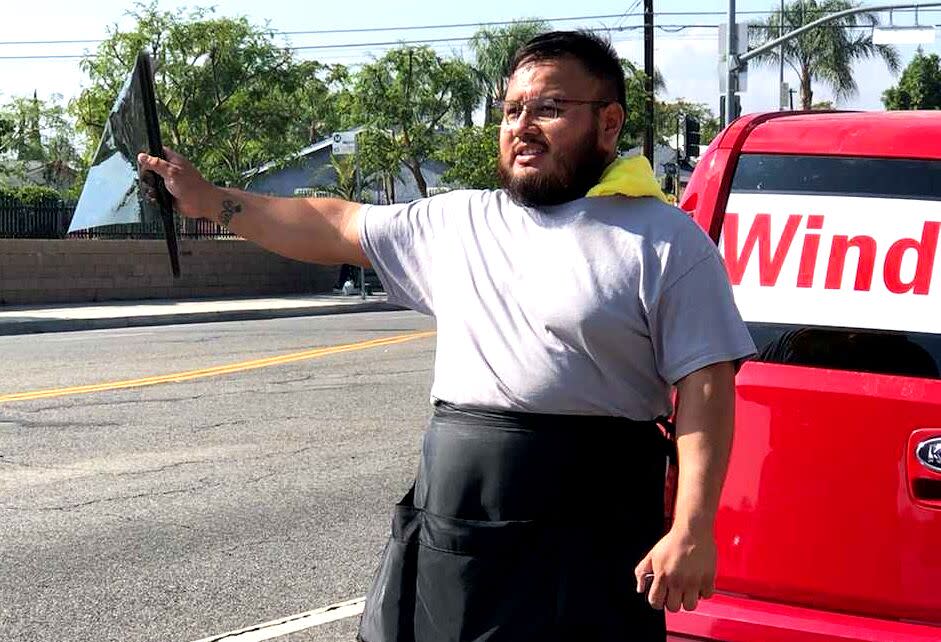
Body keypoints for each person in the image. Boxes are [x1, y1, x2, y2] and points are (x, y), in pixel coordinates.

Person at [139, 30, 755, 642]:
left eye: (549, 108)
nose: (523, 125)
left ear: (609, 123)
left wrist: (693, 527)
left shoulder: (665, 241)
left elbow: (705, 385)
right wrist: (210, 201)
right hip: (454, 524)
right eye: (512, 109)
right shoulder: (458, 220)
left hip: (590, 531)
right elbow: (334, 223)